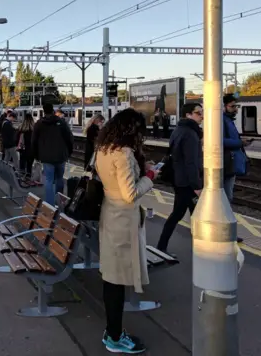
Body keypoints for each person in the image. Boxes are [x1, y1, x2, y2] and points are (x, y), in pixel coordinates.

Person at [94, 108, 158, 354]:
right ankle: (114, 336)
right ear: (132, 130)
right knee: (116, 280)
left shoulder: (104, 149)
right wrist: (150, 175)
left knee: (112, 278)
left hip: (110, 216)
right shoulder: (123, 153)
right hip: (122, 222)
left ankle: (113, 331)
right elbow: (130, 194)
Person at [156, 103, 203, 254]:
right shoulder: (190, 133)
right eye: (198, 113)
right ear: (188, 115)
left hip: (179, 178)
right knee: (180, 214)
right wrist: (196, 185)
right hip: (187, 182)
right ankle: (162, 246)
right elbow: (191, 162)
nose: (202, 116)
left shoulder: (178, 130)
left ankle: (202, 247)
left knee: (194, 213)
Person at [32, 102, 73, 206]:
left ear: (44, 111)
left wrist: (36, 155)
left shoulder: (39, 124)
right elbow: (69, 138)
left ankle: (50, 205)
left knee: (49, 180)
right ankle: (59, 203)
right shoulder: (61, 122)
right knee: (60, 179)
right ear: (53, 110)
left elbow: (34, 141)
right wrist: (69, 152)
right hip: (61, 156)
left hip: (47, 157)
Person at [223, 94, 248, 244]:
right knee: (226, 198)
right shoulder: (222, 120)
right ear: (224, 106)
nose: (236, 110)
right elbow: (218, 139)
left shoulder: (228, 120)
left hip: (229, 164)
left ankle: (228, 231)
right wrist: (239, 143)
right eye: (232, 106)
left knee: (227, 197)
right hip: (226, 164)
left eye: (236, 106)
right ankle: (227, 232)